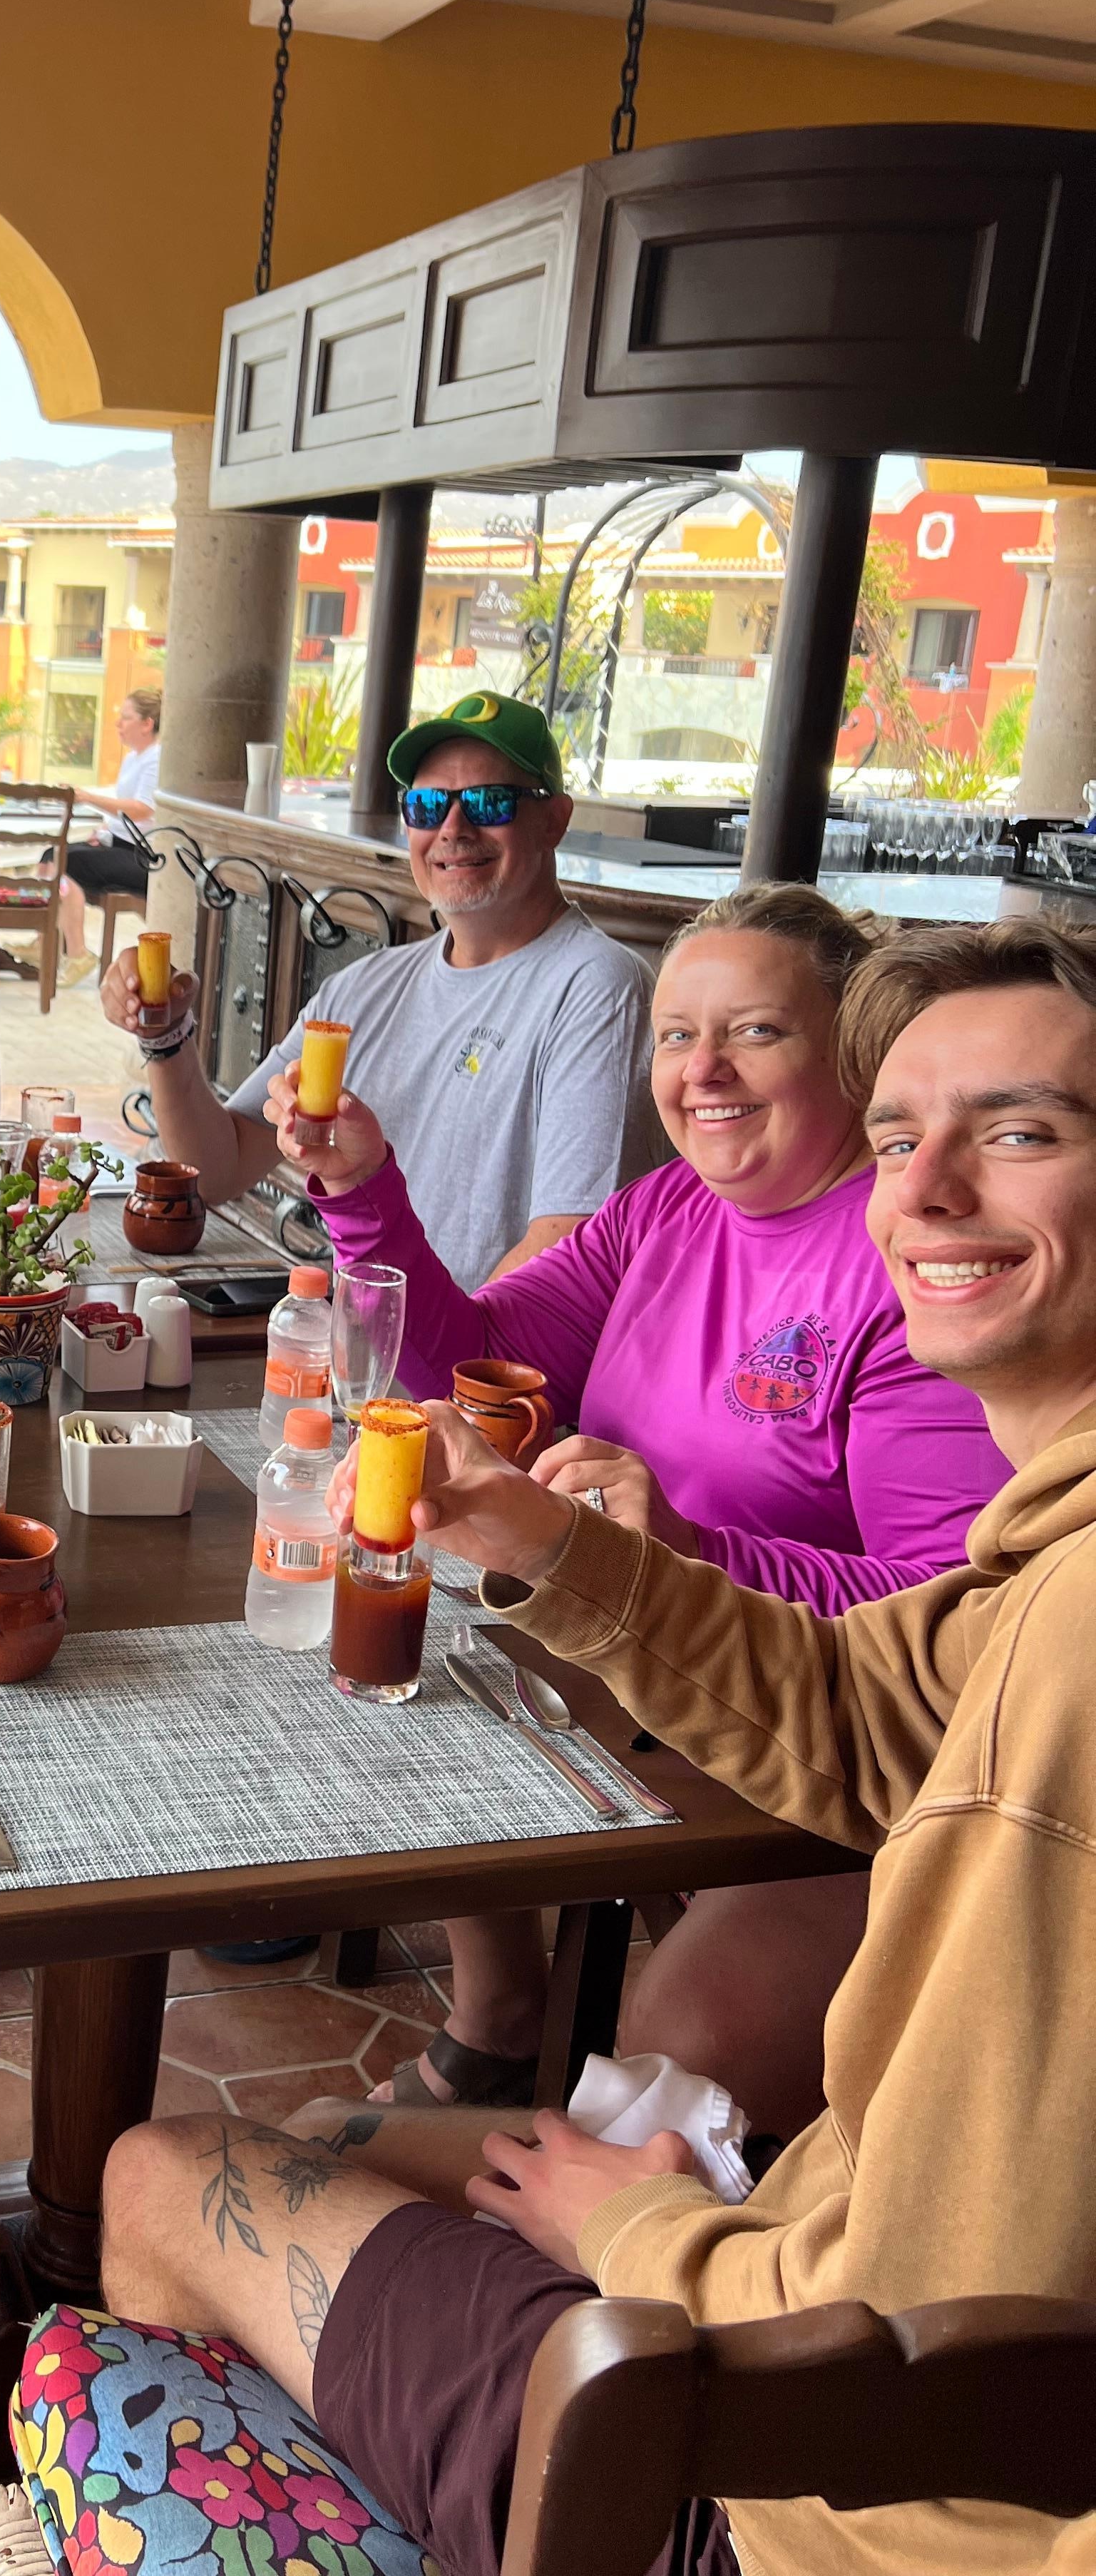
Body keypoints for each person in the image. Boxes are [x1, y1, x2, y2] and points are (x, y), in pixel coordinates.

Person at [39, 915, 1096, 2576]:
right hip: (783, 2238)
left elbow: (943, 2345)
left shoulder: (1075, 1677)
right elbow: (880, 1706)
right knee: (319, 2147)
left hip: (774, 2491)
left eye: (1020, 1131)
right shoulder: (1042, 1563)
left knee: (162, 2180)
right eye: (907, 1137)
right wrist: (560, 1546)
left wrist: (649, 2231)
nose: (930, 1191)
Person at [292, 882, 1008, 2129]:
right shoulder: (667, 1208)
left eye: (755, 1032)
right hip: (626, 1659)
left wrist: (679, 1554)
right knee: (389, 1679)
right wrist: (363, 1192)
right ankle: (498, 2018)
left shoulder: (914, 1259)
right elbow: (477, 1358)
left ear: (855, 1057)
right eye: (677, 1035)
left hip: (822, 1731)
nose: (703, 1070)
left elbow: (942, 1610)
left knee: (673, 2048)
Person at [102, 691, 660, 1291]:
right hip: (361, 1339)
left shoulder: (598, 988)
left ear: (555, 820)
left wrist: (434, 1339)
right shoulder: (366, 989)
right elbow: (218, 1169)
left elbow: (568, 1248)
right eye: (427, 806)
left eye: (489, 801)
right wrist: (165, 1035)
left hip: (480, 1351)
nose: (453, 828)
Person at [46, 683, 161, 979]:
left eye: (126, 717)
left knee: (61, 861)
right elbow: (131, 816)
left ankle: (78, 954)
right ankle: (49, 943)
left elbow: (143, 810)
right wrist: (106, 830)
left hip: (141, 858)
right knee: (51, 856)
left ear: (147, 724)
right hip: (121, 845)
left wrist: (87, 797)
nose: (118, 724)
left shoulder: (157, 758)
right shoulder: (134, 757)